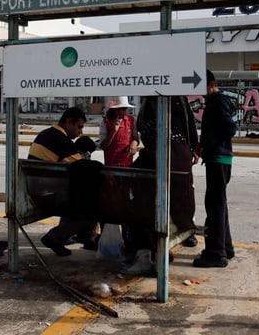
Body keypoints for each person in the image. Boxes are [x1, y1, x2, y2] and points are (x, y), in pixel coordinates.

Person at [120, 95, 200, 275]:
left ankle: (144, 257)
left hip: (163, 204)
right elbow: (189, 121)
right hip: (182, 211)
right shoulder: (182, 146)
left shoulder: (158, 147)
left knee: (139, 209)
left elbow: (133, 176)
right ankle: (162, 253)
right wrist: (194, 145)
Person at [28, 107, 98, 256]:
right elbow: (82, 166)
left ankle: (61, 238)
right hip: (45, 193)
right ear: (68, 122)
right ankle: (55, 237)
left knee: (78, 196)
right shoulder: (62, 140)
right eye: (79, 127)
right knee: (92, 209)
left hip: (35, 187)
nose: (80, 132)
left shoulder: (47, 133)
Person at [193, 69, 237, 268]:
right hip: (218, 159)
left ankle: (215, 253)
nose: (201, 92)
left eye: (202, 87)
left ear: (211, 84)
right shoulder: (216, 101)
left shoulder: (218, 101)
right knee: (219, 203)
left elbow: (229, 128)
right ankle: (225, 247)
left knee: (214, 204)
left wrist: (206, 144)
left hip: (218, 158)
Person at [98, 96, 139, 167]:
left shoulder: (131, 120)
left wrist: (134, 144)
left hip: (127, 165)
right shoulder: (105, 122)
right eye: (118, 110)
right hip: (111, 165)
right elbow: (103, 146)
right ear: (113, 109)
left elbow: (136, 138)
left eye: (123, 109)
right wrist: (113, 131)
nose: (121, 112)